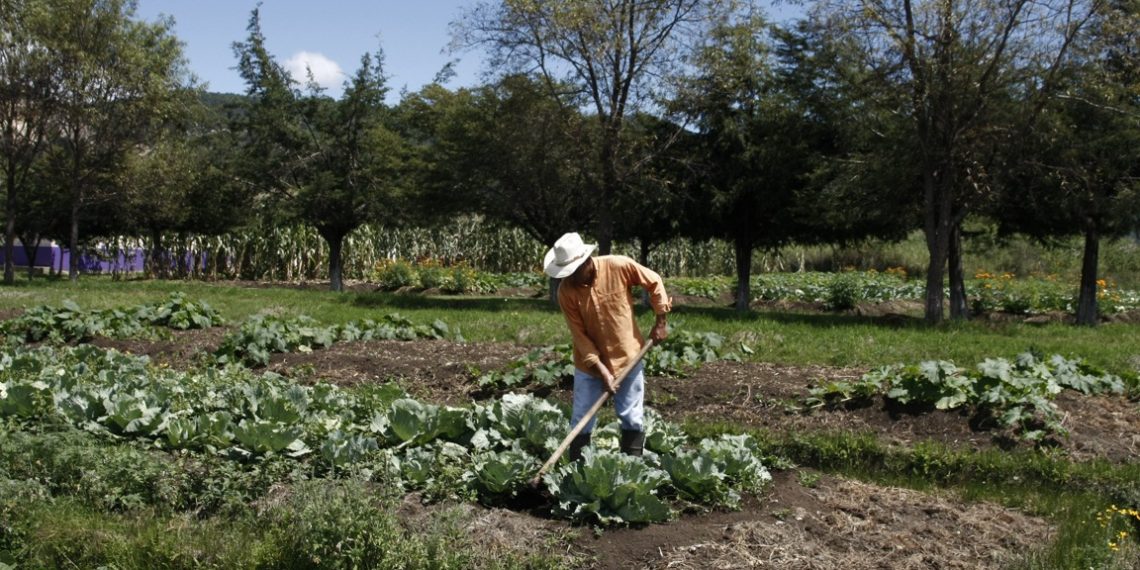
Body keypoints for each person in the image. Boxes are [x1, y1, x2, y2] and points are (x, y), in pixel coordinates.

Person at [543, 232, 671, 460]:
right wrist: (601, 370)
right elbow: (579, 336)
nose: (570, 277)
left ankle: (632, 470)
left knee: (632, 417)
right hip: (589, 366)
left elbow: (654, 281)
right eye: (566, 273)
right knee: (581, 419)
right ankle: (578, 475)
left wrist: (661, 321)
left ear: (586, 260)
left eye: (573, 271)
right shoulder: (566, 291)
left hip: (628, 358)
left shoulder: (618, 266)